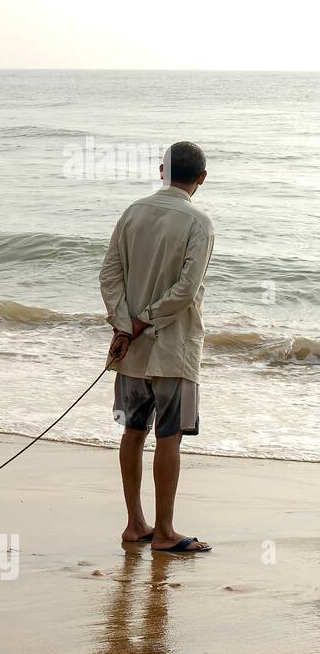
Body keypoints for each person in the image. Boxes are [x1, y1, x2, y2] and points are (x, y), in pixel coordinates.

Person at [100, 141, 214, 554]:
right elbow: (187, 289)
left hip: (129, 347)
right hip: (173, 349)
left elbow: (109, 273)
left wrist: (122, 321)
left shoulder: (133, 212)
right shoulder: (198, 222)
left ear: (161, 171)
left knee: (132, 432)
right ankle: (163, 531)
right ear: (201, 178)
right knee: (168, 438)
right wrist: (143, 319)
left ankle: (135, 524)